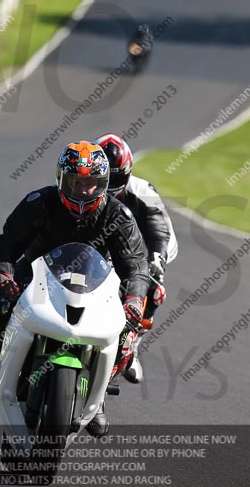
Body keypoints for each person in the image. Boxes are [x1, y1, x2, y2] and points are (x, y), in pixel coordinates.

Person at [0, 140, 150, 436]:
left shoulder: (119, 216)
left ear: (104, 184)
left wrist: (133, 299)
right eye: (76, 182)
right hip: (37, 275)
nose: (84, 190)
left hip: (97, 284)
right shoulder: (39, 203)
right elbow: (3, 243)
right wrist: (3, 277)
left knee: (127, 333)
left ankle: (99, 394)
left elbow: (136, 263)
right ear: (61, 179)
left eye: (91, 183)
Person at [95, 133, 178, 383]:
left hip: (133, 252)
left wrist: (156, 259)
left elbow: (159, 228)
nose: (109, 186)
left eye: (116, 178)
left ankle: (133, 343)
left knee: (154, 288)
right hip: (90, 251)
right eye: (105, 178)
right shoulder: (82, 184)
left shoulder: (143, 190)